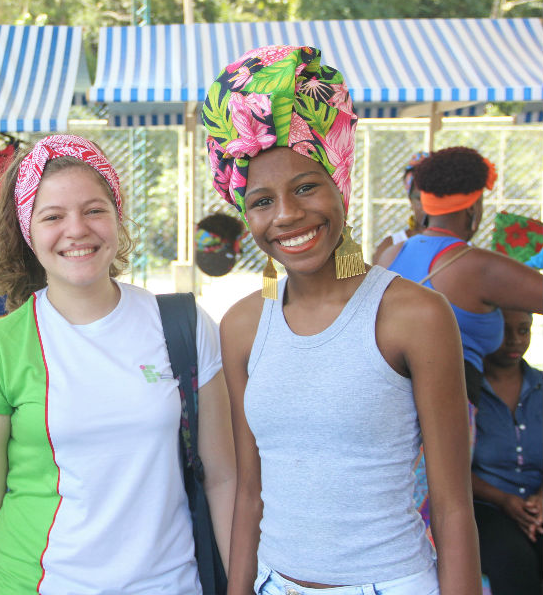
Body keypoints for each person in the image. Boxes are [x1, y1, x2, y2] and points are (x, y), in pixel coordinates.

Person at [203, 45, 481, 595]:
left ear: (341, 184)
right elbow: (250, 495)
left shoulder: (414, 315)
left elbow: (453, 507)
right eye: (261, 201)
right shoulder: (241, 326)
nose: (287, 215)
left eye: (306, 187)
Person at [0, 134, 236, 594]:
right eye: (52, 216)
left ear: (117, 217)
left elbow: (223, 479)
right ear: (27, 231)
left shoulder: (183, 325)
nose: (77, 230)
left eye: (94, 210)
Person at [377, 146, 543, 404]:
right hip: (450, 411)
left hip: (389, 406)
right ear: (473, 207)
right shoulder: (477, 266)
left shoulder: (391, 254)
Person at [473, 309, 543, 595]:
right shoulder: (466, 390)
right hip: (486, 506)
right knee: (513, 562)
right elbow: (450, 467)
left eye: (523, 330)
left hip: (537, 504)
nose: (515, 340)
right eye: (504, 330)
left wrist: (540, 500)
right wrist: (504, 500)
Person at [371, 151, 428, 263]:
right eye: (420, 199)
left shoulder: (459, 246)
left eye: (434, 199)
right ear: (410, 201)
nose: (427, 205)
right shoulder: (391, 245)